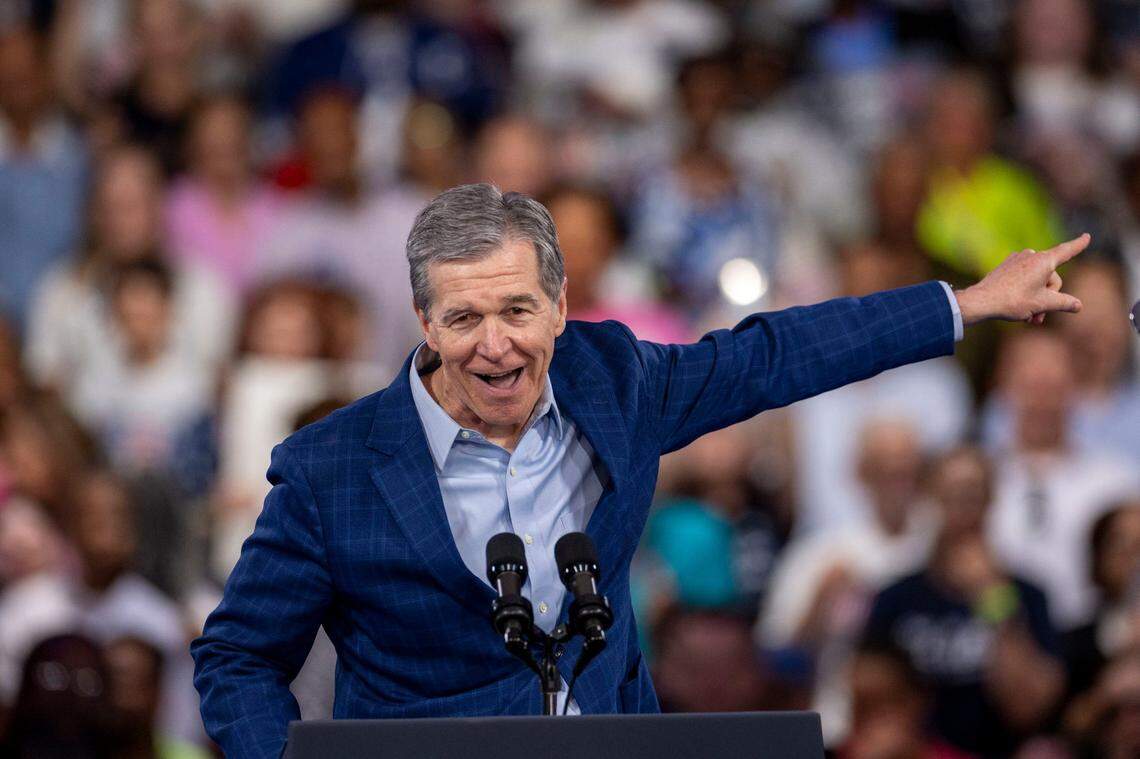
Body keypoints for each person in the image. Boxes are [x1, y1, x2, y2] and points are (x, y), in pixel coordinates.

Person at [192, 182, 1089, 759]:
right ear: (424, 323)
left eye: (518, 309)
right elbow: (236, 657)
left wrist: (964, 304)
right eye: (464, 319)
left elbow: (777, 354)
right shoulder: (330, 467)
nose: (496, 345)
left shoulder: (616, 380)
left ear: (560, 306)